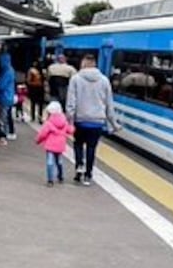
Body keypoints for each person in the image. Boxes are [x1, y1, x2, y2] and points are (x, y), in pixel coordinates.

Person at [65, 54, 119, 186]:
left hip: (80, 120)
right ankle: (88, 175)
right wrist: (113, 124)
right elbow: (109, 104)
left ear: (84, 63)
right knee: (91, 148)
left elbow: (71, 102)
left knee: (78, 145)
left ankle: (79, 168)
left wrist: (69, 120)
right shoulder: (104, 80)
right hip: (97, 122)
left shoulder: (76, 79)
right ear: (95, 64)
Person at [35, 101, 74, 186]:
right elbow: (71, 130)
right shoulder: (64, 122)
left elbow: (42, 134)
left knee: (50, 162)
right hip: (60, 146)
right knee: (59, 161)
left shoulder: (48, 123)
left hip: (50, 146)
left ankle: (50, 180)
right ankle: (60, 176)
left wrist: (37, 141)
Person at [0, 53, 17, 142]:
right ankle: (9, 132)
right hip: (8, 96)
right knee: (7, 116)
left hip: (4, 97)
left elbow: (1, 85)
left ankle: (2, 136)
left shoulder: (7, 71)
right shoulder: (9, 70)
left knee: (2, 118)